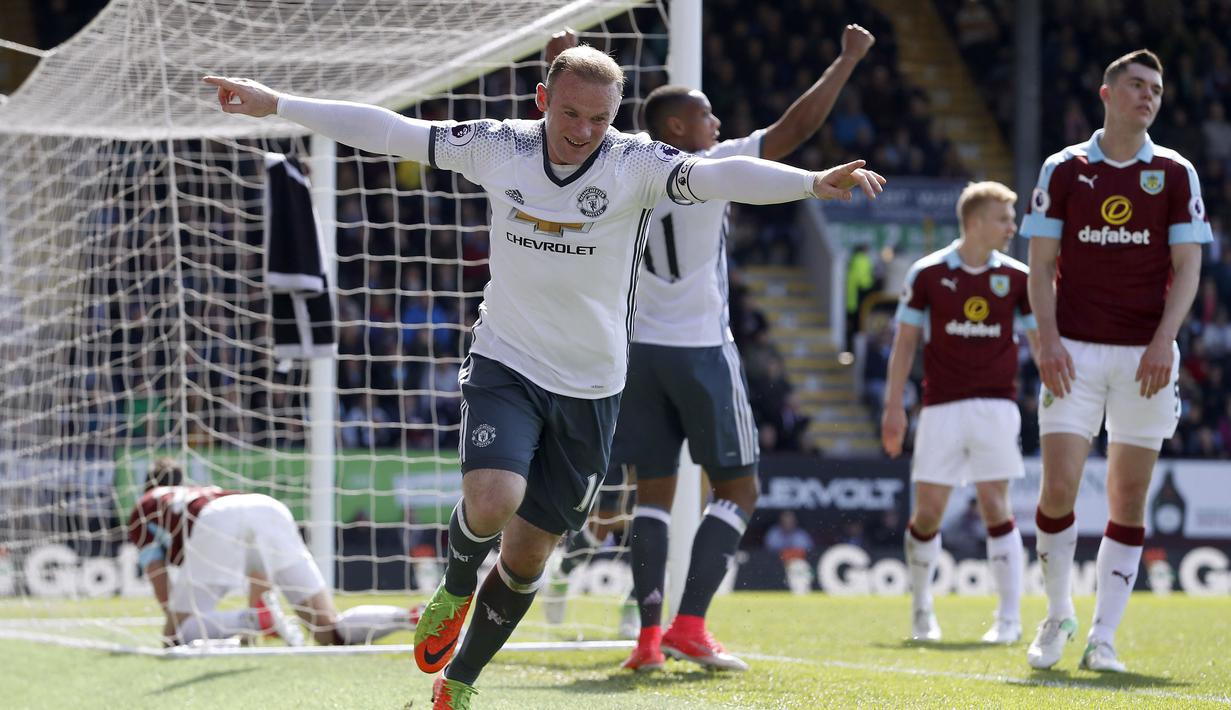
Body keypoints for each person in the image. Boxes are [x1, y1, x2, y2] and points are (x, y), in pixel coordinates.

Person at [205, 43, 884, 708]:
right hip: (508, 359)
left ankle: (458, 684)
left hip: (593, 386)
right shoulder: (500, 145)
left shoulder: (636, 163)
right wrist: (279, 104)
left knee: (529, 556)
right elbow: (392, 131)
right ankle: (456, 583)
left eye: (598, 119)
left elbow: (718, 176)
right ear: (542, 102)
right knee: (493, 499)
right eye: (570, 115)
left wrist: (807, 183)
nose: (583, 132)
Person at [611, 23, 875, 673]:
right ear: (676, 128)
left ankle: (646, 638)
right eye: (705, 115)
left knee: (651, 493)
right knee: (738, 489)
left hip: (636, 354)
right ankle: (691, 624)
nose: (716, 121)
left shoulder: (622, 167)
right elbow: (793, 129)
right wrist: (843, 61)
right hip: (700, 349)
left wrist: (562, 61)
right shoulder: (709, 171)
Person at [1020, 49, 1210, 672]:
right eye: (1135, 85)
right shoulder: (1065, 168)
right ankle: (1056, 615)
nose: (1147, 95)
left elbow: (1189, 269)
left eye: (1155, 88)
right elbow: (1041, 264)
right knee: (1058, 489)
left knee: (1129, 500)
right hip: (1072, 350)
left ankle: (1103, 638)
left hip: (1146, 358)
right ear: (1107, 94)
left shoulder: (1176, 172)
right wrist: (1046, 341)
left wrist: (1164, 341)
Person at [881, 181, 1037, 644]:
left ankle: (1009, 619)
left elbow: (1042, 340)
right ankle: (921, 610)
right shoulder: (927, 274)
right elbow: (905, 342)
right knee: (928, 514)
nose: (1012, 227)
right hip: (940, 407)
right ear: (974, 223)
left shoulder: (1017, 278)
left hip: (997, 406)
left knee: (995, 505)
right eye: (1003, 218)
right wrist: (894, 407)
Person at [127, 458, 417, 648]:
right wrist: (257, 609)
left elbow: (157, 574)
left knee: (174, 638)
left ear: (147, 486)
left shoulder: (145, 506)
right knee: (329, 632)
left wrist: (176, 621)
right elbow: (257, 567)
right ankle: (411, 617)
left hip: (216, 520)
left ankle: (252, 620)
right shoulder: (200, 492)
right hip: (267, 507)